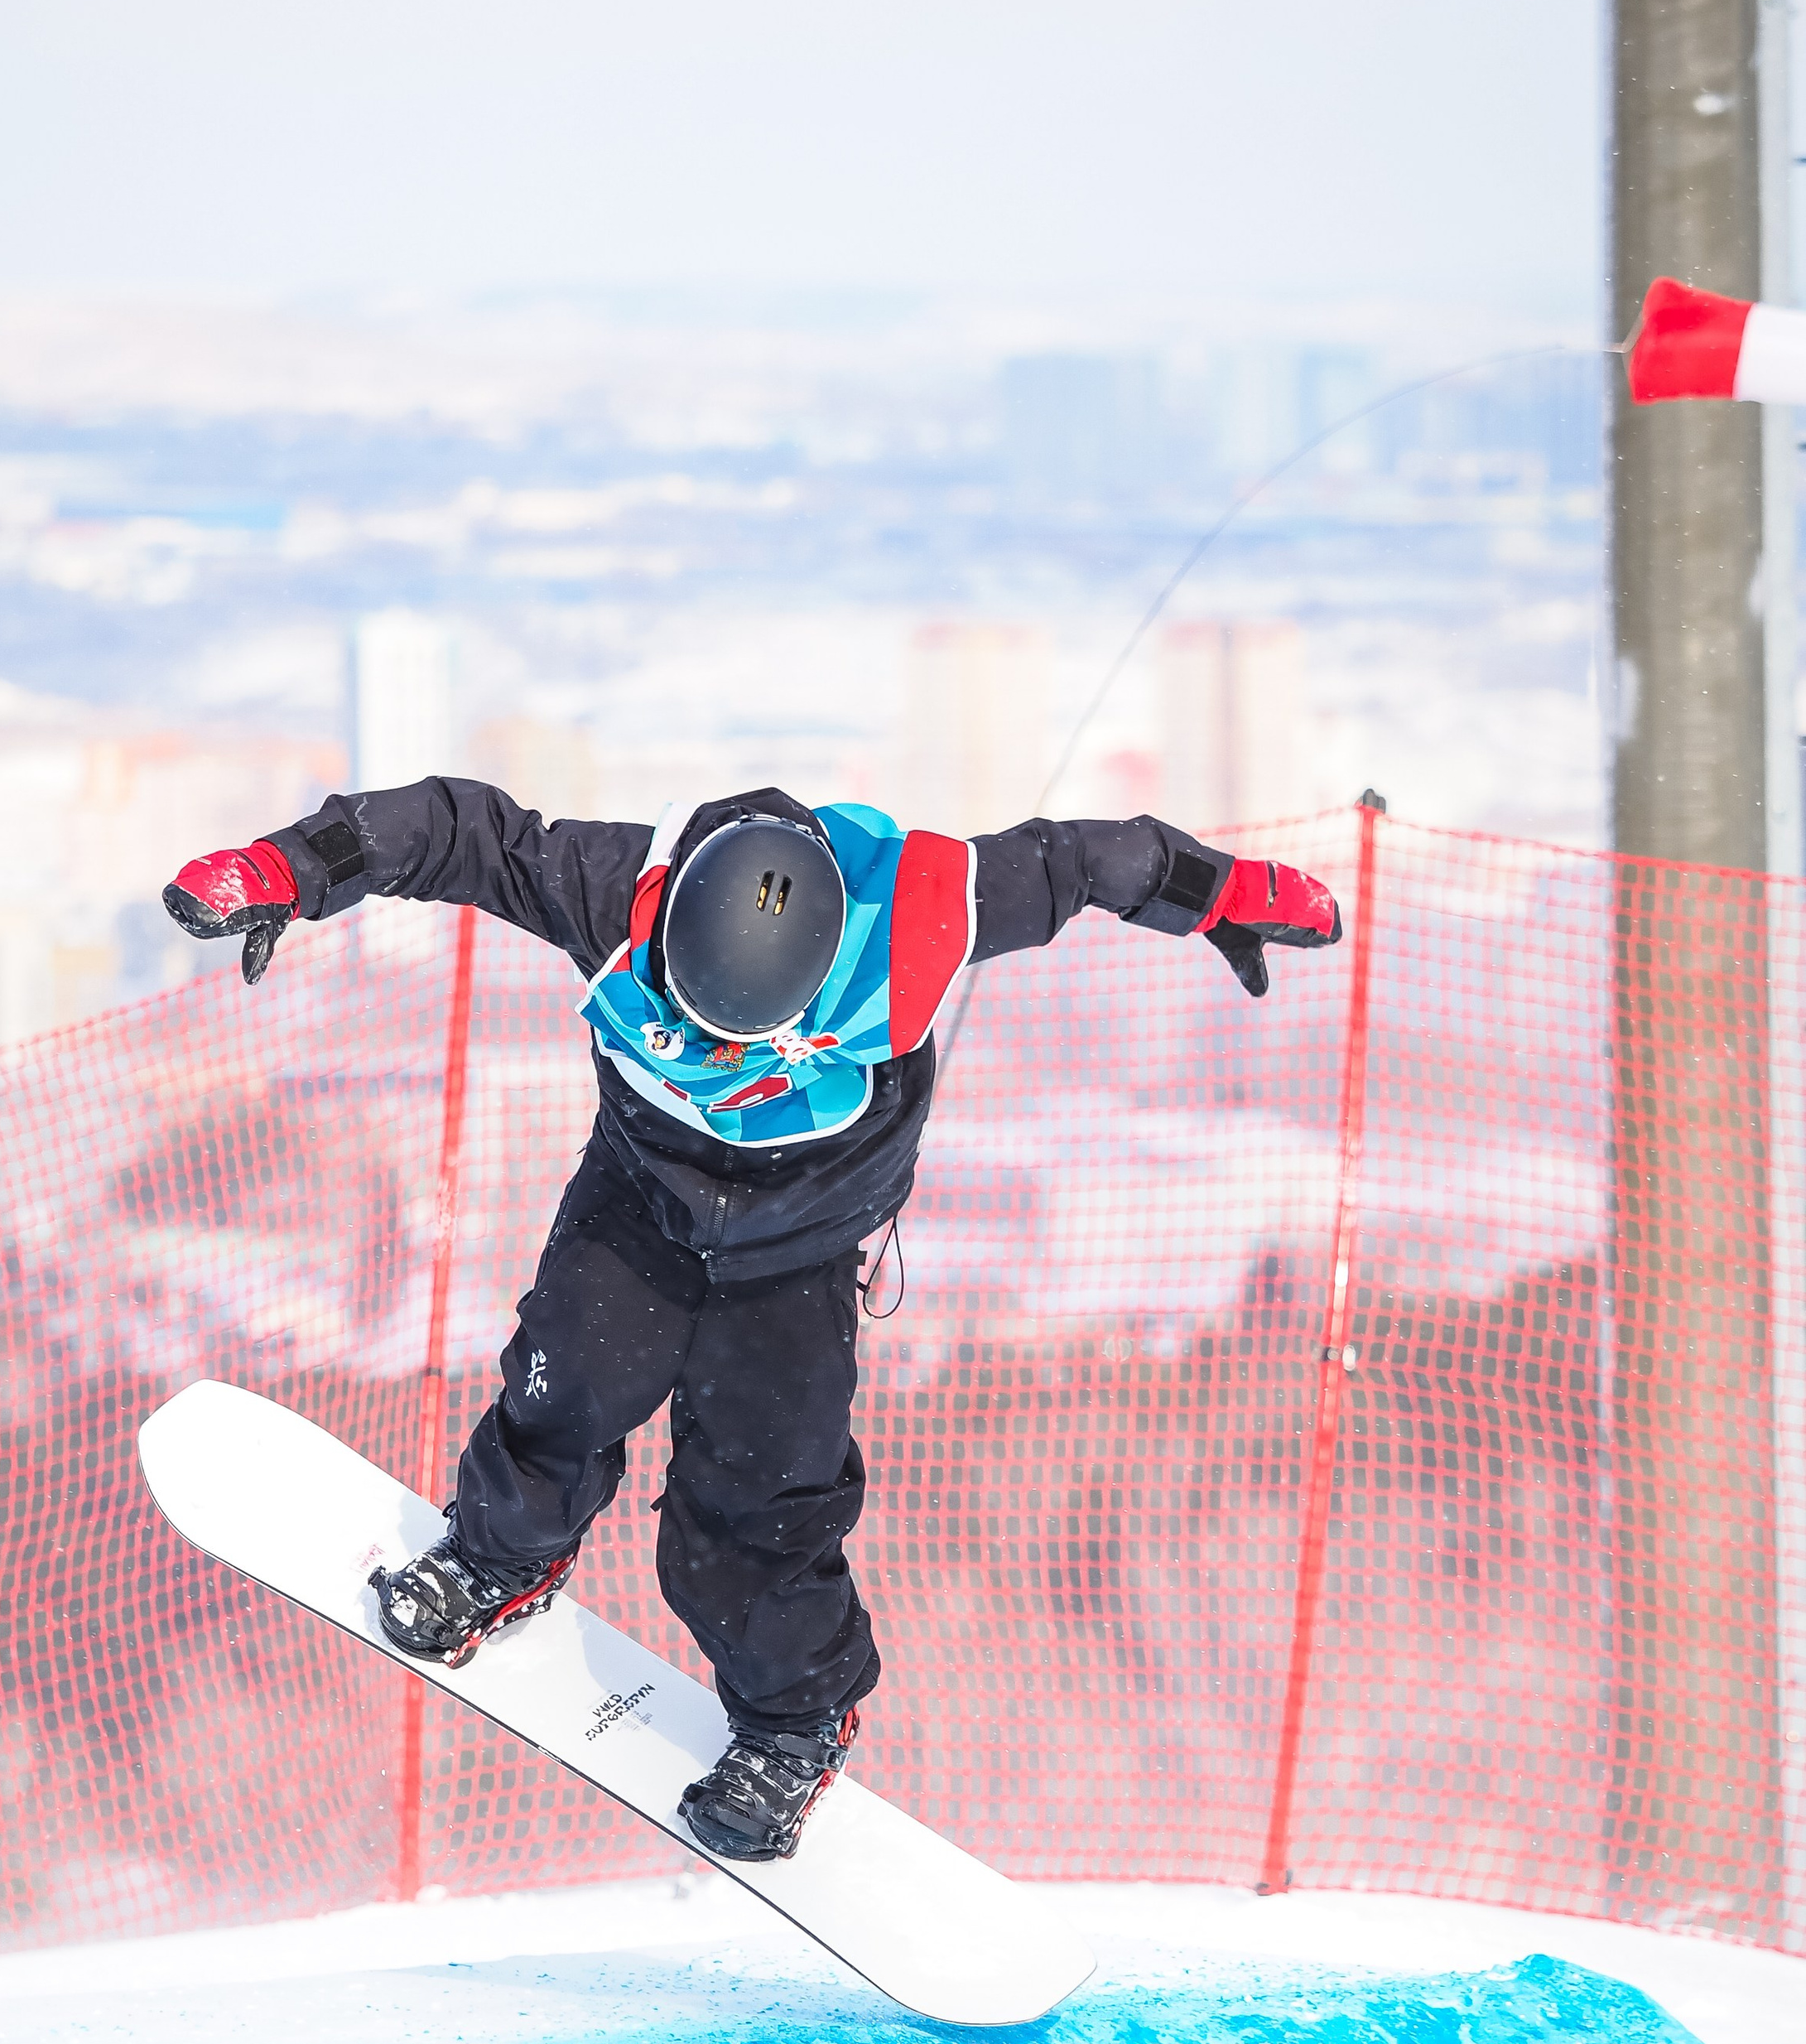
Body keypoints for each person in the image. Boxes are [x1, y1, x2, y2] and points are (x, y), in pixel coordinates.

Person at [164, 780, 1341, 1862]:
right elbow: (452, 833)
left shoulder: (927, 907)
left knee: (757, 1509)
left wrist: (1226, 895)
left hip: (803, 1252)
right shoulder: (615, 891)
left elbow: (1100, 861)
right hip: (639, 1203)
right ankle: (498, 1562)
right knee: (560, 1388)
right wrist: (287, 868)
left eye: (750, 1040)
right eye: (702, 1027)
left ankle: (790, 1728)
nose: (724, 1055)